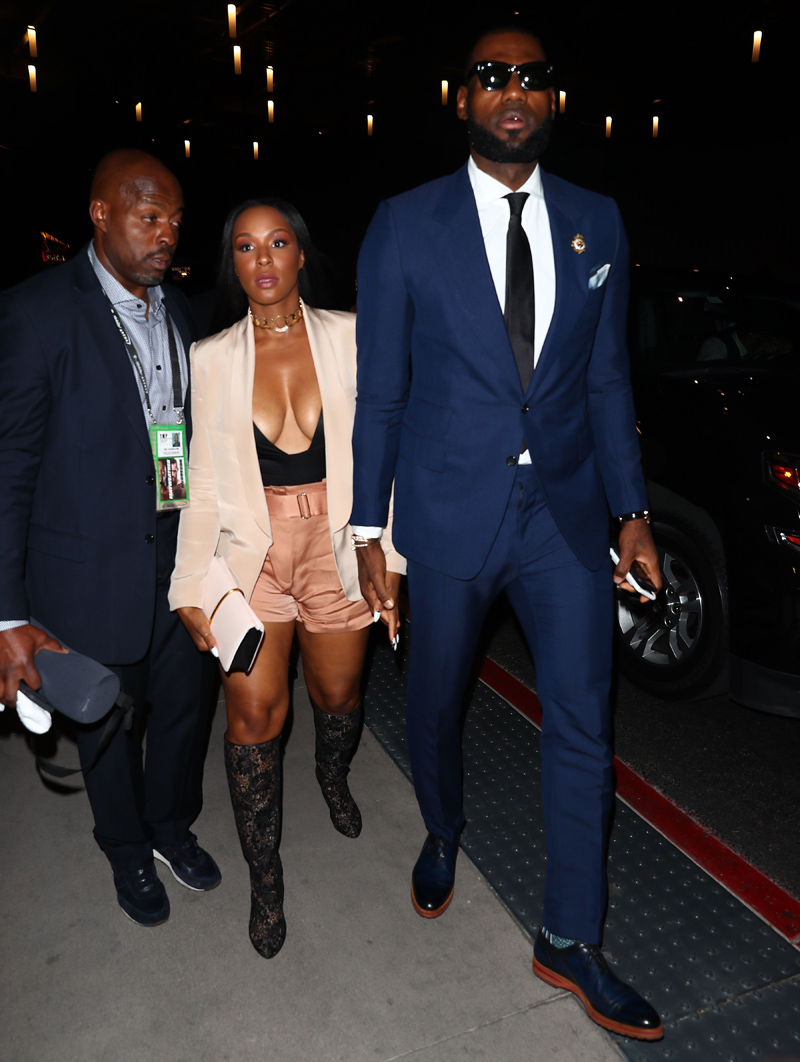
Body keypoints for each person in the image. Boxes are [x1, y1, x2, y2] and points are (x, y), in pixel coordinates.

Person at [350, 26, 664, 1041]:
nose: (512, 91)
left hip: (563, 516)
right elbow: (380, 391)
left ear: (553, 99)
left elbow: (607, 379)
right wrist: (368, 527)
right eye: (492, 77)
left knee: (584, 723)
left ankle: (569, 937)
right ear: (462, 99)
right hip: (447, 512)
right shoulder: (405, 224)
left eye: (530, 77)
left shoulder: (596, 221)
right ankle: (442, 827)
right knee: (435, 701)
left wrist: (632, 511)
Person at [168, 198, 405, 959]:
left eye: (277, 243)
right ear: (232, 263)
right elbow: (200, 480)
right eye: (245, 246)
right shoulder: (210, 357)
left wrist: (390, 556)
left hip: (340, 544)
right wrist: (187, 583)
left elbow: (387, 452)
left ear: (301, 253)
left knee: (337, 697)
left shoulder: (352, 336)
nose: (262, 259)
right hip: (251, 557)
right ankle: (265, 880)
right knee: (251, 718)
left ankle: (333, 774)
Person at [0, 149, 220, 927]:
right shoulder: (37, 312)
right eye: (149, 216)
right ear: (100, 214)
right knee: (109, 726)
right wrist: (7, 613)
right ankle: (125, 847)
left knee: (187, 710)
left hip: (180, 558)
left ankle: (171, 826)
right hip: (88, 570)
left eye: (176, 220)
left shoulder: (180, 306)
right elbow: (10, 468)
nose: (167, 234)